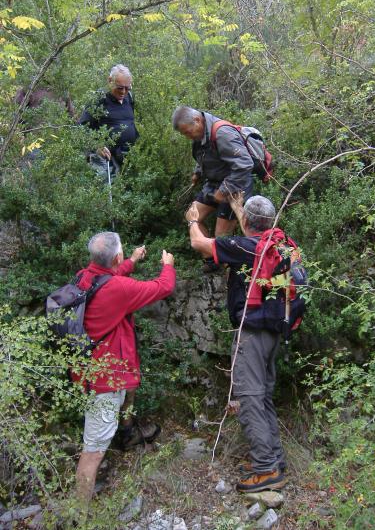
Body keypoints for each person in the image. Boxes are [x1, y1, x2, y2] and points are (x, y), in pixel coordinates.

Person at [186, 195, 294, 493]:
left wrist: (194, 219)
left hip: (252, 334)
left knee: (249, 399)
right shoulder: (279, 242)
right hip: (274, 332)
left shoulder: (245, 248)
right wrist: (239, 207)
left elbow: (200, 244)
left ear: (246, 222)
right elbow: (254, 229)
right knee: (263, 398)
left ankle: (265, 470)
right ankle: (274, 460)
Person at [73, 231, 175, 503]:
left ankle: (127, 433)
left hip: (96, 368)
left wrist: (131, 259)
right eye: (122, 256)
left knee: (130, 387)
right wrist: (168, 266)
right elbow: (162, 287)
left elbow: (113, 275)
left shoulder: (85, 277)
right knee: (92, 452)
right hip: (103, 381)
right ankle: (77, 518)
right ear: (114, 257)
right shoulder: (117, 289)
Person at [172, 105, 254, 271]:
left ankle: (229, 273)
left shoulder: (223, 133)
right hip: (213, 183)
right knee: (192, 217)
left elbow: (245, 164)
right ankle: (212, 260)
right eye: (184, 134)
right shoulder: (200, 133)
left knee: (221, 236)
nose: (188, 137)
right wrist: (197, 172)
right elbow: (204, 156)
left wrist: (223, 190)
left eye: (188, 132)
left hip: (235, 186)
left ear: (197, 120)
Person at [79, 64, 139, 177]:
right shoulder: (98, 99)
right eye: (120, 88)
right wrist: (97, 145)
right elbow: (82, 128)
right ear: (110, 81)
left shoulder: (129, 97)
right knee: (107, 193)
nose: (123, 92)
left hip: (127, 157)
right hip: (106, 160)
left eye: (127, 88)